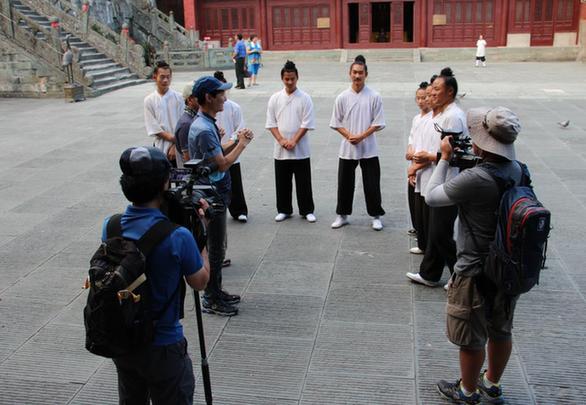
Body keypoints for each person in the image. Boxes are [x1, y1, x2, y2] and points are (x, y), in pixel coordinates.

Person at [426, 106, 524, 405]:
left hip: (475, 269)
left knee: (471, 335)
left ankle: (467, 391)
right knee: (500, 328)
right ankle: (491, 383)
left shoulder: (477, 178)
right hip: (508, 267)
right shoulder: (517, 169)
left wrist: (444, 158)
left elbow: (432, 196)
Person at [108, 146, 210, 405]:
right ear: (165, 184)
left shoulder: (111, 226)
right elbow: (200, 282)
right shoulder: (178, 236)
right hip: (164, 344)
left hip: (124, 340)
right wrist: (201, 233)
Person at [188, 76, 254, 316]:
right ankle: (211, 297)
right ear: (208, 97)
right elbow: (222, 164)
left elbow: (216, 152)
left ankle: (216, 290)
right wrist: (243, 144)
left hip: (216, 191)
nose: (225, 98)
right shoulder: (204, 128)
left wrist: (235, 140)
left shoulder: (207, 122)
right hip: (211, 194)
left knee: (218, 247)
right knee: (215, 249)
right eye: (221, 94)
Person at [406, 68, 465, 288]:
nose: (432, 95)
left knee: (441, 232)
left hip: (448, 180)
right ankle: (430, 274)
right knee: (435, 230)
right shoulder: (440, 115)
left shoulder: (453, 117)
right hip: (435, 176)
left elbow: (454, 153)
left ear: (449, 92)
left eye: (436, 90)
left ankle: (460, 276)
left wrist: (427, 158)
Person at [330, 55, 386, 231]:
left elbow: (378, 122)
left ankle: (376, 215)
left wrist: (362, 136)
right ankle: (342, 215)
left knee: (372, 183)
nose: (357, 76)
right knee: (345, 183)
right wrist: (349, 136)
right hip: (348, 147)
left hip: (369, 147)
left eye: (360, 73)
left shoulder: (374, 96)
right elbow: (336, 122)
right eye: (354, 72)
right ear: (349, 73)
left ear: (366, 74)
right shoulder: (342, 97)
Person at [266, 60, 317, 223]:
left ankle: (307, 209)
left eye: (292, 79)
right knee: (282, 181)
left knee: (304, 181)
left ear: (297, 78)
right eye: (287, 79)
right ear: (282, 78)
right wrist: (281, 140)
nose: (289, 82)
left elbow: (306, 123)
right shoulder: (275, 98)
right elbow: (271, 123)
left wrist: (294, 140)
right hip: (280, 148)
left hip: (300, 147)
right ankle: (284, 209)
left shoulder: (305, 98)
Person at [214, 70, 249, 222]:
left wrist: (233, 141)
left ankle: (239, 210)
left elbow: (239, 128)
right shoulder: (208, 107)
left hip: (231, 149)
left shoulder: (234, 107)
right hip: (215, 149)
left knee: (234, 181)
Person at [405, 81, 431, 253]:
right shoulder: (417, 119)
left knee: (425, 206)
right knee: (414, 202)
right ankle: (419, 233)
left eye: (424, 98)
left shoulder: (431, 120)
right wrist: (410, 153)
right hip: (415, 165)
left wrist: (415, 167)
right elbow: (412, 140)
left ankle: (426, 239)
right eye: (419, 98)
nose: (421, 101)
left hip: (424, 167)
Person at [144, 60, 183, 167]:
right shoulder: (149, 100)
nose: (165, 80)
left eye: (168, 77)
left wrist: (175, 145)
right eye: (162, 77)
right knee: (162, 179)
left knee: (181, 177)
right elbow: (153, 127)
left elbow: (183, 124)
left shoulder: (179, 98)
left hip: (178, 146)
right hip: (160, 145)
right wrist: (173, 139)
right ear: (155, 77)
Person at [174, 82, 199, 167]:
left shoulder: (194, 118)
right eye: (198, 97)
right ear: (189, 100)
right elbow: (188, 158)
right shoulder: (186, 123)